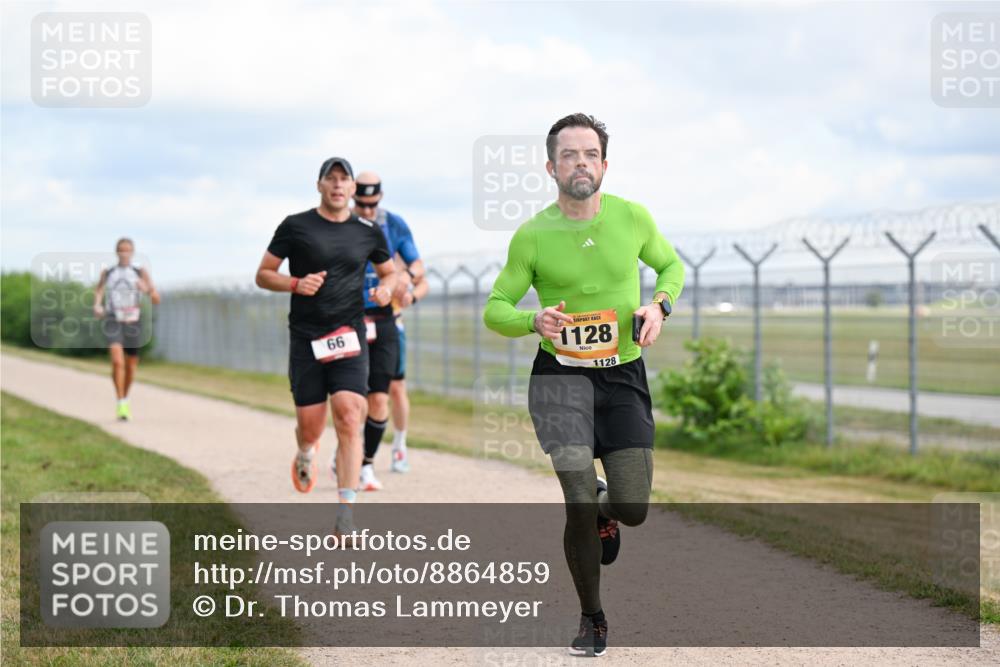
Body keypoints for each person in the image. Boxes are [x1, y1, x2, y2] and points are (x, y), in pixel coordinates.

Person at [483, 114, 684, 657]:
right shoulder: (533, 235)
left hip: (622, 376)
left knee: (633, 506)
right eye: (569, 155)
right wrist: (533, 320)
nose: (581, 163)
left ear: (605, 165)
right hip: (560, 380)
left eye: (590, 154)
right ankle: (592, 617)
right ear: (551, 168)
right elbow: (495, 308)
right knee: (574, 497)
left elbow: (671, 267)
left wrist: (659, 306)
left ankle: (605, 508)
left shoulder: (632, 217)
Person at [256, 157, 395, 537]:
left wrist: (386, 289)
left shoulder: (368, 231)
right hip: (307, 338)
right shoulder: (295, 226)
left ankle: (345, 515)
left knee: (349, 414)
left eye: (343, 179)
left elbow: (389, 272)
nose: (337, 185)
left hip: (349, 334)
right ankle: (306, 452)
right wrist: (295, 284)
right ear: (319, 185)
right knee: (311, 427)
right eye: (330, 179)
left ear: (352, 188)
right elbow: (263, 274)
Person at [349, 171, 426, 490]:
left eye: (373, 204)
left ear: (380, 198)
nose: (367, 210)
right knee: (352, 396)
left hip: (386, 319)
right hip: (351, 318)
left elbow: (419, 268)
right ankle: (348, 451)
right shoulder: (342, 225)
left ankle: (385, 453)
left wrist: (405, 280)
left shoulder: (393, 225)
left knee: (390, 390)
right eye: (361, 204)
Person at [93, 237, 160, 421]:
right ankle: (121, 401)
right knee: (117, 362)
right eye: (121, 250)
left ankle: (126, 397)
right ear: (117, 252)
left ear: (132, 252)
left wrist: (147, 289)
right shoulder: (108, 272)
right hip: (113, 319)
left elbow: (156, 299)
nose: (124, 253)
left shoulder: (140, 272)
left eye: (127, 250)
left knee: (131, 366)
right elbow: (99, 291)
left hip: (133, 322)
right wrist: (97, 305)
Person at [388, 254, 429, 473]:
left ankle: (399, 446)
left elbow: (423, 283)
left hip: (392, 328)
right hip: (359, 325)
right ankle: (350, 447)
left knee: (397, 388)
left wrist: (411, 297)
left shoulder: (399, 252)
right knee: (358, 392)